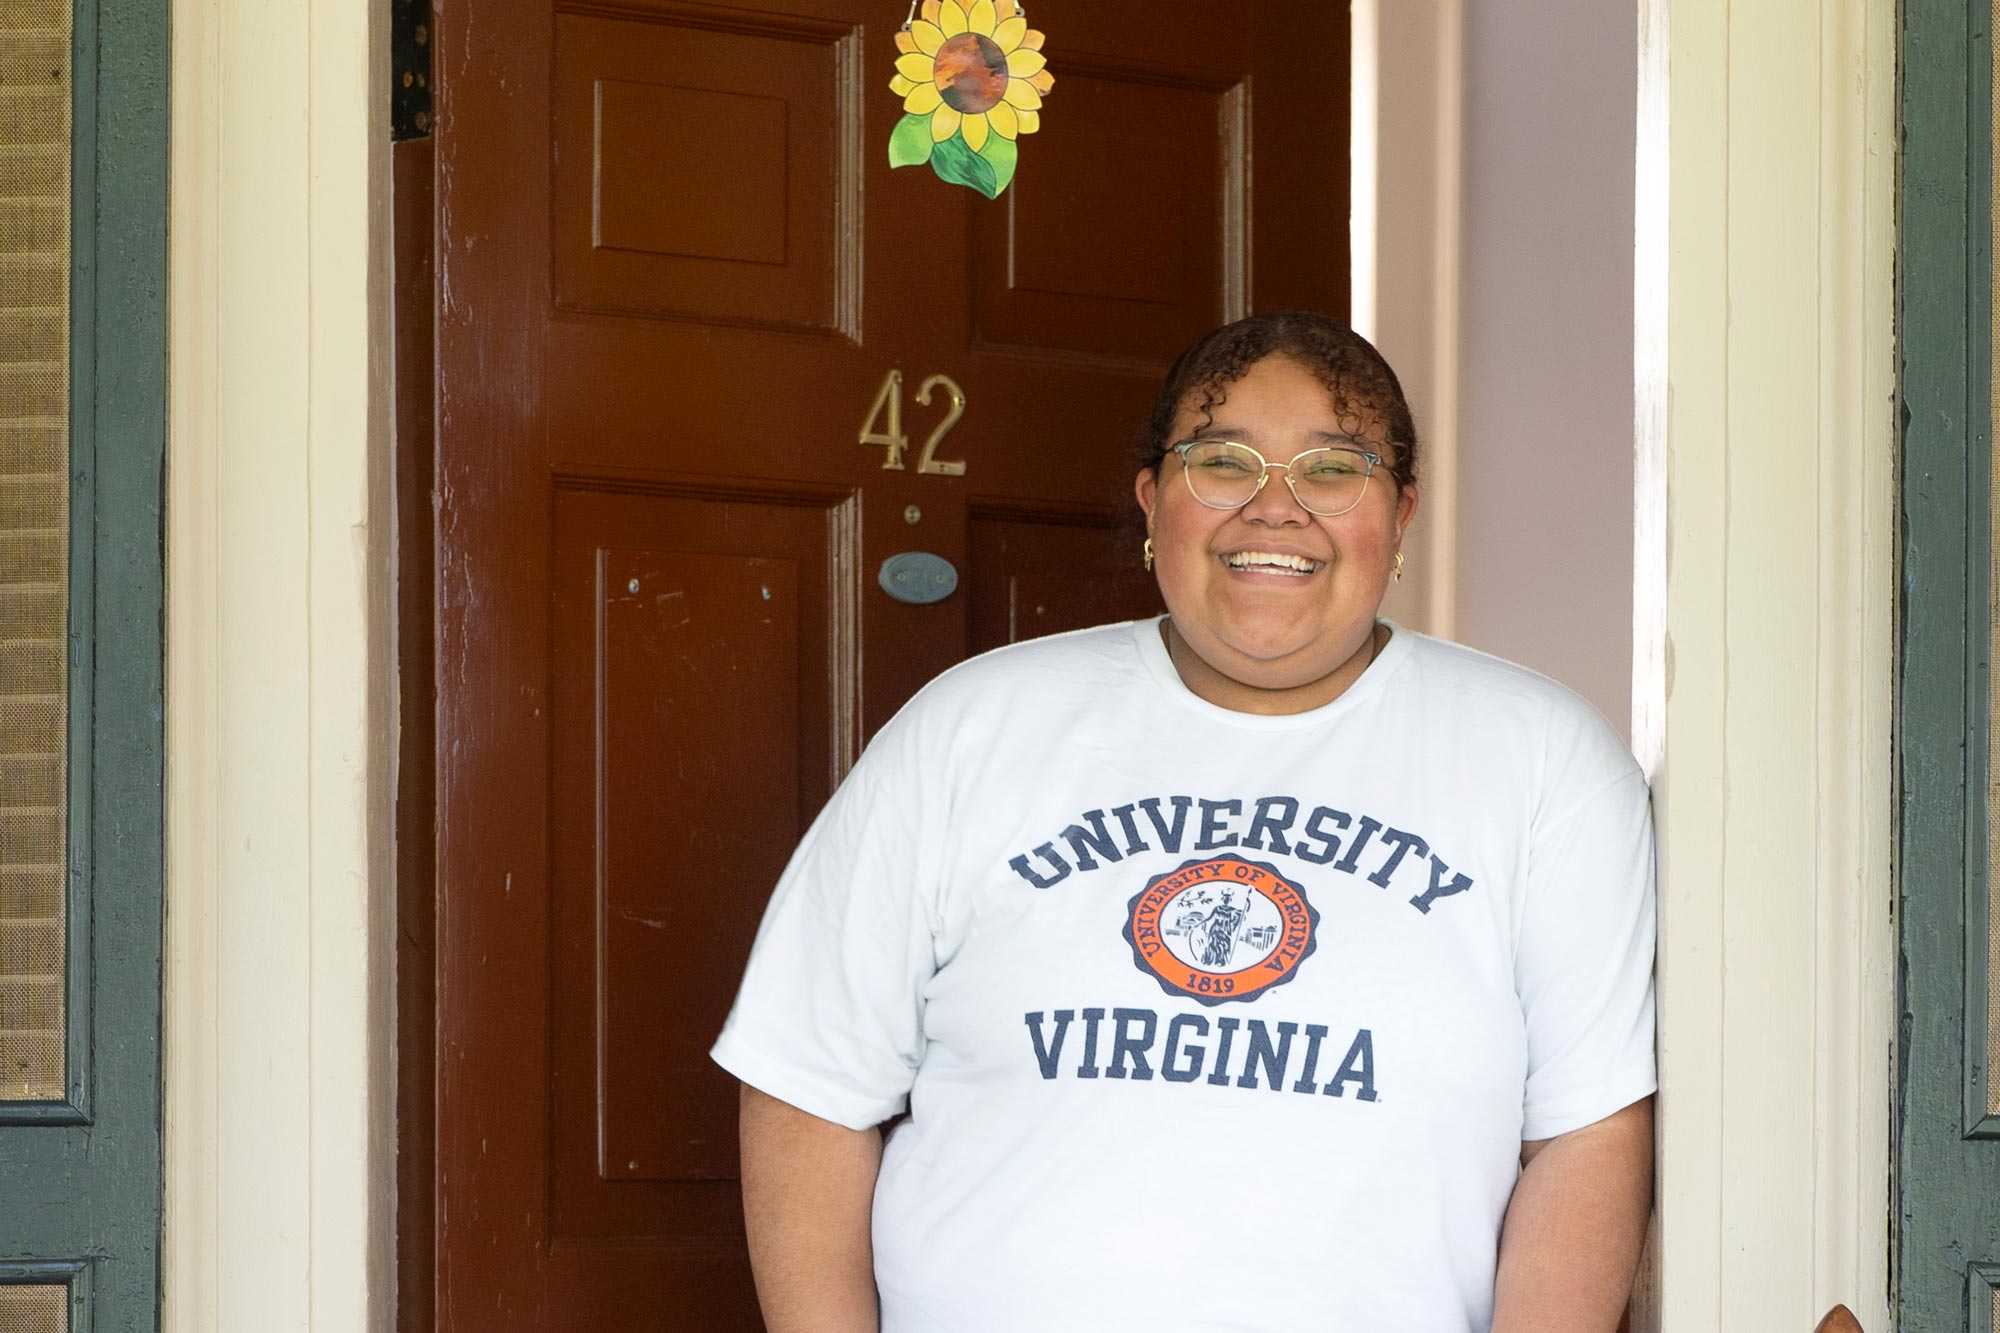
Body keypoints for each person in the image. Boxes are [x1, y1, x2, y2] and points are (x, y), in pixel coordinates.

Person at [711, 310, 1657, 1332]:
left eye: (1332, 468)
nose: (1274, 509)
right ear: (1152, 502)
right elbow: (806, 1081)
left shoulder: (1543, 761)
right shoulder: (971, 728)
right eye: (1222, 461)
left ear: (1398, 514)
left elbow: (1585, 1133)